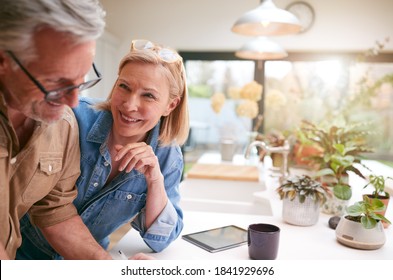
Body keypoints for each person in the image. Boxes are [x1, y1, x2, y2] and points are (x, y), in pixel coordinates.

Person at [16, 39, 189, 259]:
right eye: (124, 87)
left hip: (87, 261)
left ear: (170, 105)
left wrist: (155, 181)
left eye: (148, 95)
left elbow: (160, 239)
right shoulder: (72, 120)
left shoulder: (167, 156)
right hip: (24, 253)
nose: (129, 105)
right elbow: (49, 207)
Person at [0, 0, 122, 260]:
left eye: (81, 80)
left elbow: (55, 210)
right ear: (3, 61)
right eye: (57, 83)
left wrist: (109, 268)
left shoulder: (64, 124)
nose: (74, 103)